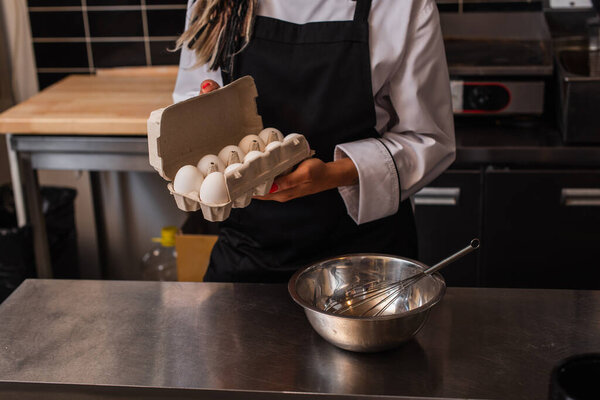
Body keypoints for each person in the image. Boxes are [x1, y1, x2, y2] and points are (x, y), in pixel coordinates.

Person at [173, 0, 455, 283]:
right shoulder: (217, 4)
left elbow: (427, 139)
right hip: (249, 250)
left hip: (367, 260)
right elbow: (189, 101)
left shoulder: (401, 6)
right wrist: (204, 115)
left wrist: (332, 175)